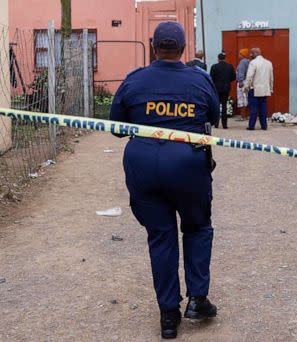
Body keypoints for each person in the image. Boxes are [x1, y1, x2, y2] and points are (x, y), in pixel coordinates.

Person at [110, 21, 219, 339]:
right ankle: (197, 300)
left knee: (161, 237)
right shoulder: (199, 79)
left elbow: (117, 128)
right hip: (188, 164)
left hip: (142, 166)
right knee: (197, 227)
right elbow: (212, 117)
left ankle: (168, 315)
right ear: (184, 49)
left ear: (153, 47)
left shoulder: (134, 80)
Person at [243, 47, 274, 130]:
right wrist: (271, 88)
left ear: (255, 54)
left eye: (251, 53)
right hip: (265, 89)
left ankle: (251, 126)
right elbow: (271, 78)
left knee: (253, 108)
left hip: (254, 89)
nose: (250, 55)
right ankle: (264, 126)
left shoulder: (253, 63)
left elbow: (249, 76)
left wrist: (246, 87)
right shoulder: (268, 63)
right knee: (263, 108)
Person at [209, 52, 236, 129]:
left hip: (216, 89)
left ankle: (216, 123)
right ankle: (224, 124)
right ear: (225, 58)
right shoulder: (229, 66)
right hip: (226, 88)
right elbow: (233, 77)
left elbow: (211, 78)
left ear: (218, 59)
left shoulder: (214, 67)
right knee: (224, 106)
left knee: (217, 106)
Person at [236, 48, 251, 120]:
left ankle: (243, 116)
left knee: (241, 99)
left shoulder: (242, 62)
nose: (239, 55)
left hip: (242, 82)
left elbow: (241, 72)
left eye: (240, 54)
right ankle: (246, 115)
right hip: (247, 82)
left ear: (243, 55)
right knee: (246, 98)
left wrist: (240, 81)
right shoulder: (249, 61)